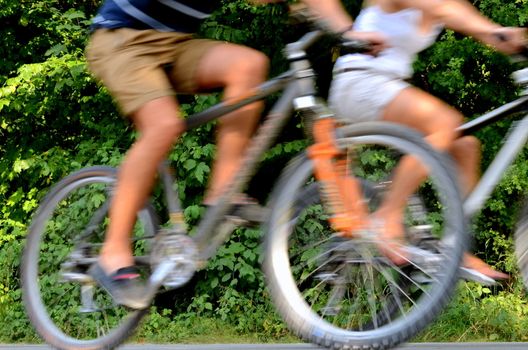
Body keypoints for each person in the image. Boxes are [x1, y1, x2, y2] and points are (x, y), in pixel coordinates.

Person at [85, 0, 386, 309]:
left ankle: (223, 193)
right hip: (121, 41)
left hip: (174, 44)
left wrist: (349, 31)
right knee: (163, 125)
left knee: (248, 65)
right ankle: (113, 252)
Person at [328, 0, 526, 280]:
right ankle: (387, 216)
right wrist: (495, 31)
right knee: (445, 124)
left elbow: (482, 31)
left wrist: (506, 38)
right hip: (360, 82)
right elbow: (446, 10)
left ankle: (454, 247)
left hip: (385, 86)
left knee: (465, 146)